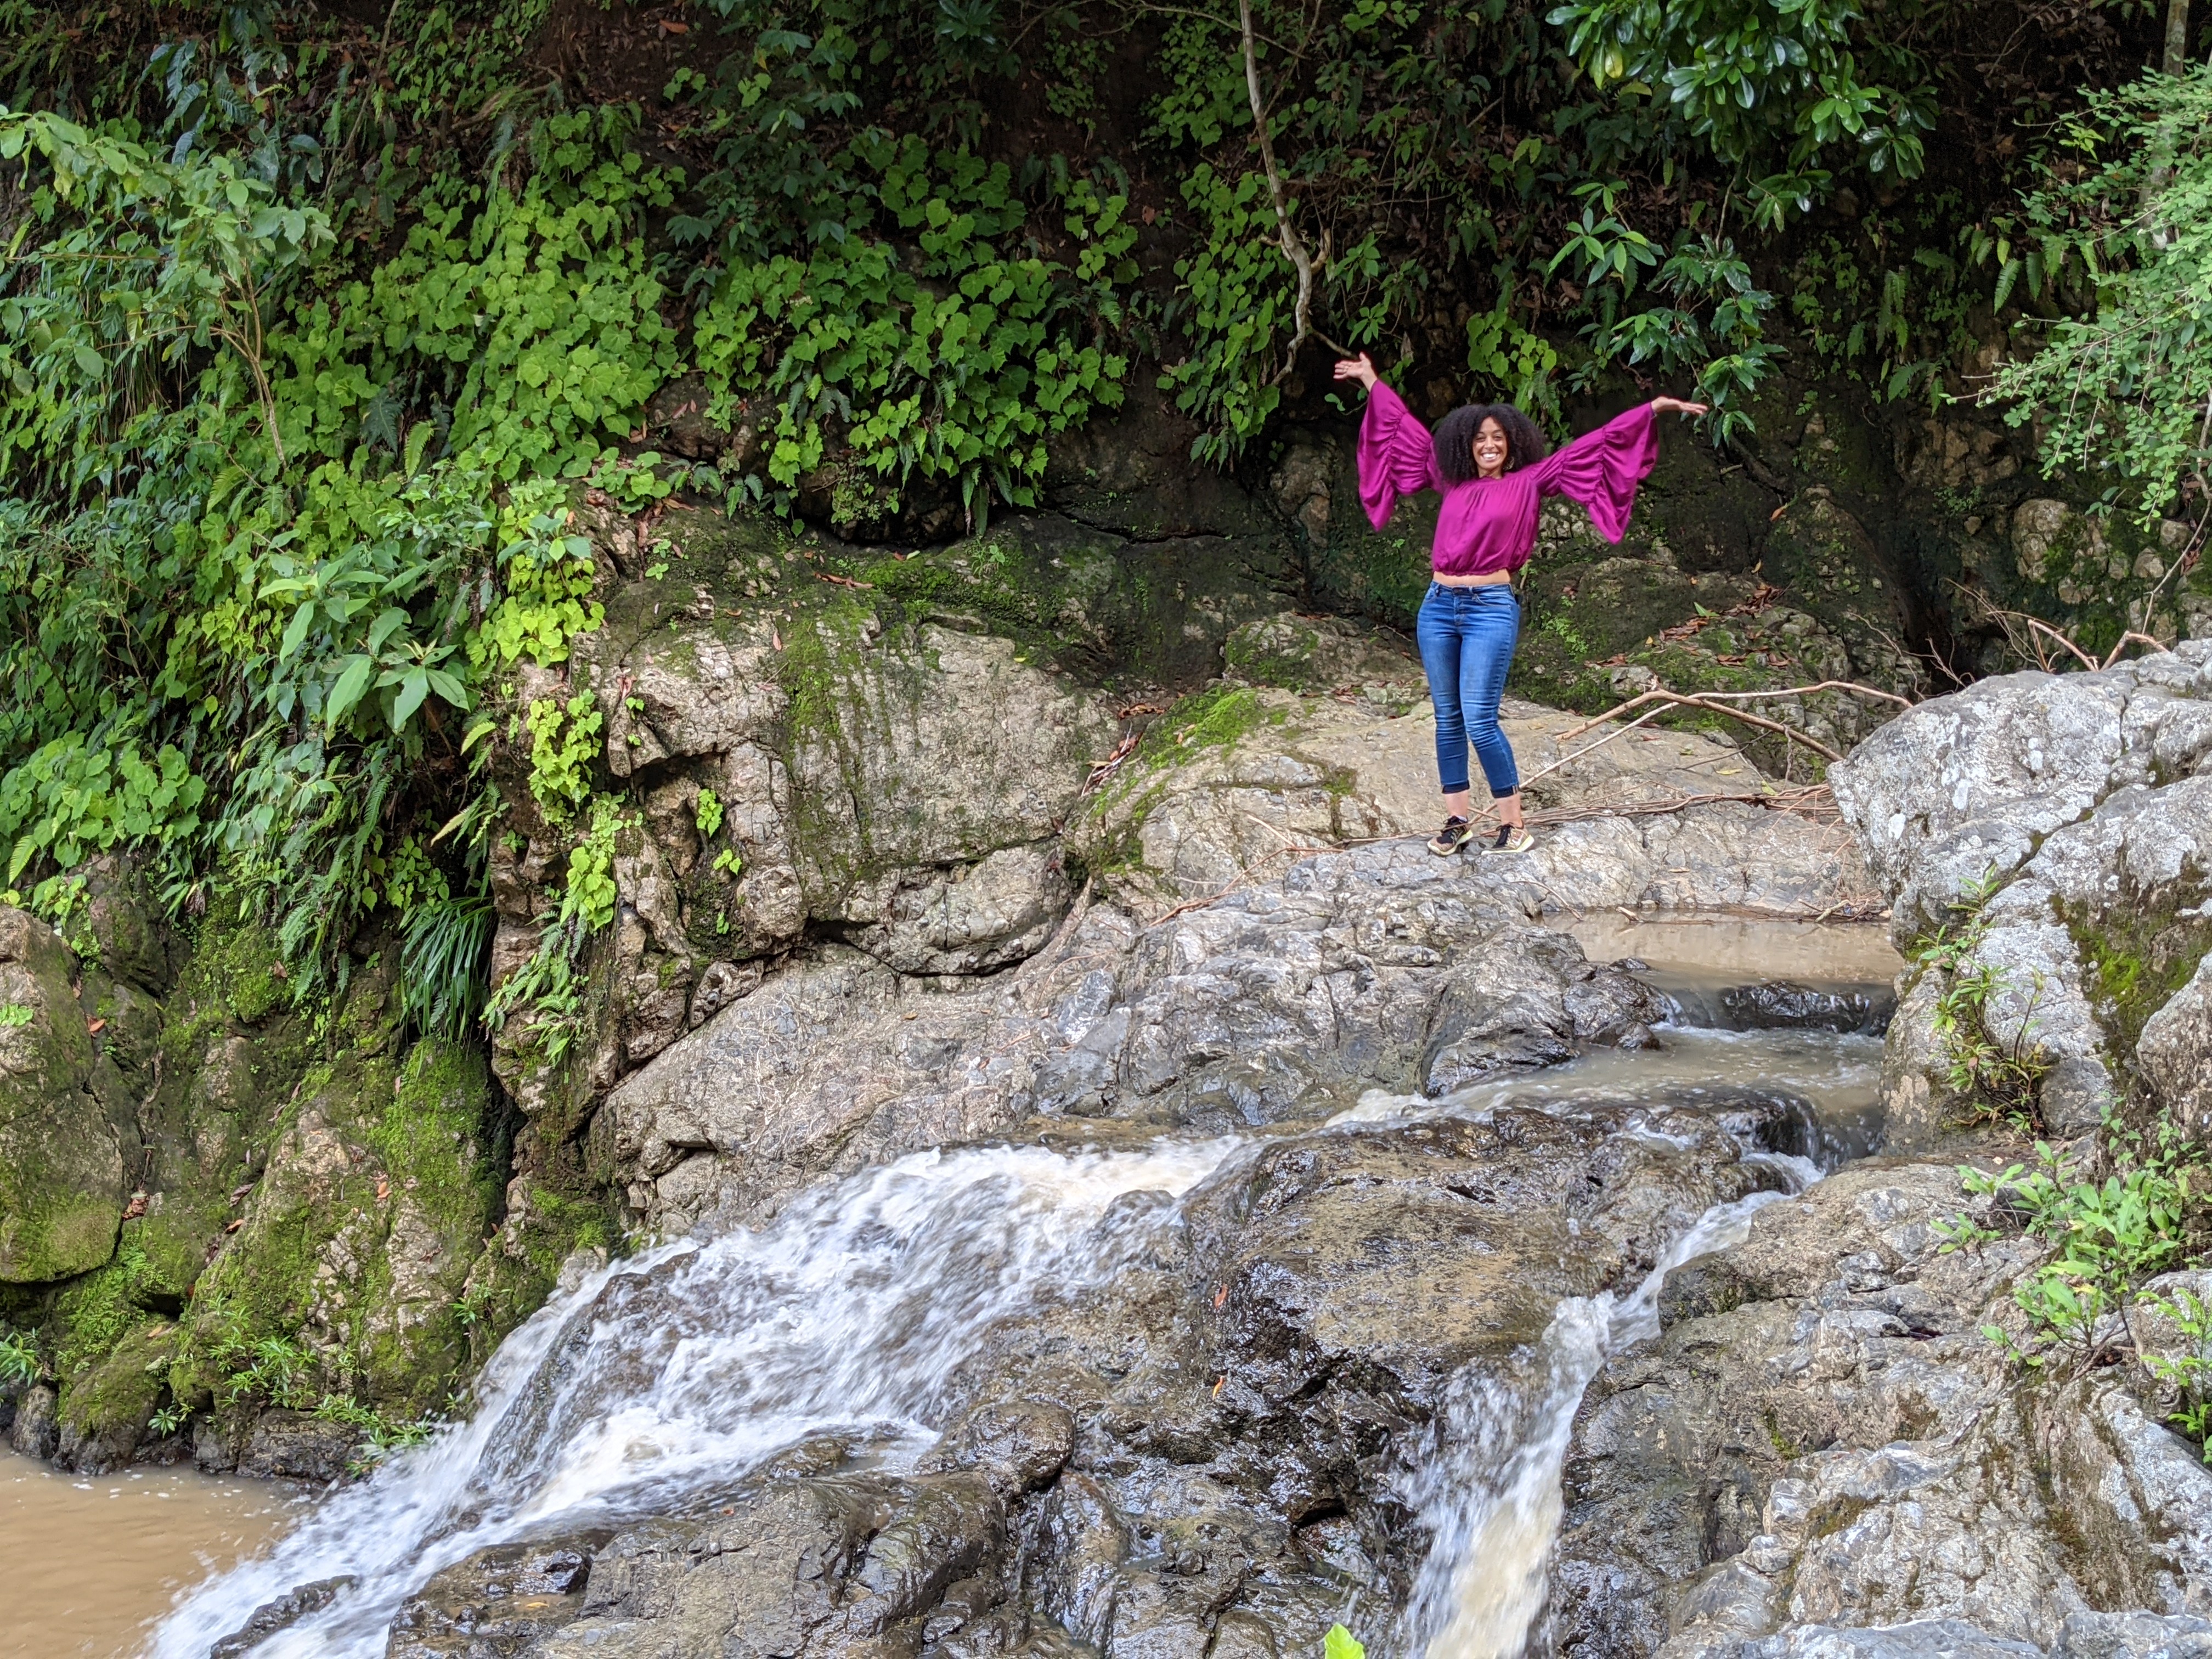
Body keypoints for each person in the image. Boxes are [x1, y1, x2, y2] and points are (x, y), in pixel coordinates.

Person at [1334, 353, 1708, 855]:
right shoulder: (1451, 481)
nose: (1489, 446)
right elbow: (1405, 430)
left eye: (1498, 439)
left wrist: (1650, 411)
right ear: (1468, 445)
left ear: (1511, 446)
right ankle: (1456, 820)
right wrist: (1371, 380)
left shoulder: (1529, 482)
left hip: (1490, 606)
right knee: (1448, 718)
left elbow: (1592, 448)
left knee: (1480, 717)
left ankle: (1513, 825)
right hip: (1439, 605)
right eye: (1480, 439)